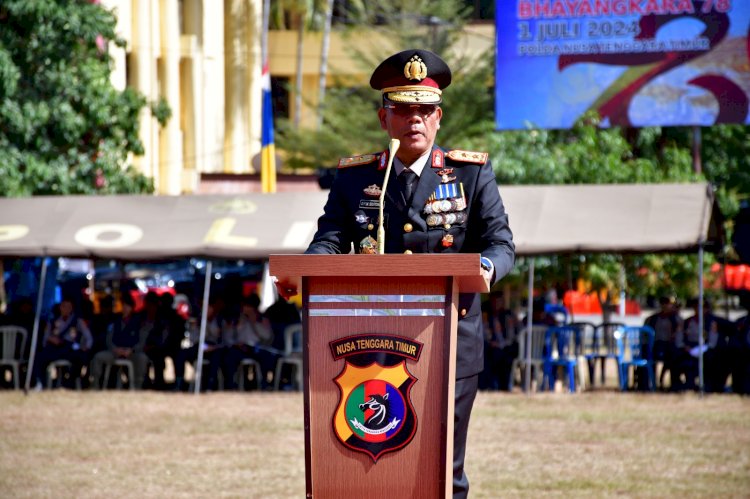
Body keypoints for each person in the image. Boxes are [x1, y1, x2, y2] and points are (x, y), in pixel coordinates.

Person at [302, 49, 515, 498]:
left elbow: (500, 243)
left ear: (438, 118)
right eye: (402, 109)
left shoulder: (470, 174)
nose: (413, 119)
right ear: (385, 120)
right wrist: (308, 269)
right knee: (372, 460)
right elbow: (330, 238)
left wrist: (485, 268)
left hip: (450, 345)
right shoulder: (354, 179)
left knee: (441, 469)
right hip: (367, 341)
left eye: (423, 110)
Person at [31, 296, 93, 390]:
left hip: (69, 349)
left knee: (79, 359)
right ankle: (41, 383)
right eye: (64, 306)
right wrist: (51, 339)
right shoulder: (52, 322)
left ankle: (70, 383)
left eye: (68, 307)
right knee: (39, 358)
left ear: (72, 308)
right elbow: (45, 338)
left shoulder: (77, 321)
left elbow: (89, 337)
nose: (65, 309)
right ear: (60, 307)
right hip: (55, 349)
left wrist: (85, 347)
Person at [90, 294, 149, 390]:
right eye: (124, 305)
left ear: (132, 307)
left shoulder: (139, 322)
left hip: (131, 352)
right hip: (115, 352)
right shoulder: (115, 321)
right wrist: (115, 349)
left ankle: (138, 386)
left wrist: (132, 350)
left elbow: (142, 341)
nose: (125, 308)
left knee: (142, 358)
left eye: (127, 306)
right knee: (98, 357)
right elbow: (108, 339)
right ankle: (95, 384)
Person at [644, 296, 682, 390]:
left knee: (676, 354)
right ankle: (646, 384)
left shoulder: (677, 319)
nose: (666, 306)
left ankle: (675, 384)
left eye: (668, 304)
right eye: (664, 303)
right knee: (645, 353)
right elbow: (645, 335)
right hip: (655, 346)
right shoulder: (652, 319)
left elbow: (680, 336)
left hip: (671, 348)